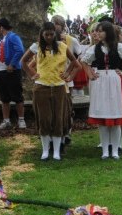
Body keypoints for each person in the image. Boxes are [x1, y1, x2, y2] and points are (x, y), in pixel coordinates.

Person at [80, 21, 122, 160]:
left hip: (115, 82)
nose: (97, 33)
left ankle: (115, 150)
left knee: (116, 116)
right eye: (97, 31)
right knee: (102, 117)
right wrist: (89, 74)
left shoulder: (119, 47)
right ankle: (105, 150)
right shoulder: (94, 48)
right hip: (100, 82)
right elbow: (83, 61)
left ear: (108, 32)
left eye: (101, 31)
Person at [23, 22, 80, 161]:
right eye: (46, 34)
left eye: (51, 34)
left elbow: (75, 63)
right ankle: (45, 150)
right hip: (41, 86)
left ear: (55, 34)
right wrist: (32, 74)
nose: (49, 37)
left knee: (58, 118)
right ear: (42, 34)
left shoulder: (62, 46)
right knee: (44, 118)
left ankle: (56, 151)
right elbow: (23, 61)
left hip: (59, 87)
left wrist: (68, 75)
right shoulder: (36, 46)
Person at [0, 18, 26, 130]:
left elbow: (20, 50)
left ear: (2, 27)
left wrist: (12, 64)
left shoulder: (13, 37)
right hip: (1, 71)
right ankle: (6, 120)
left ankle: (21, 119)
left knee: (17, 95)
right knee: (4, 97)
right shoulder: (0, 41)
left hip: (12, 71)